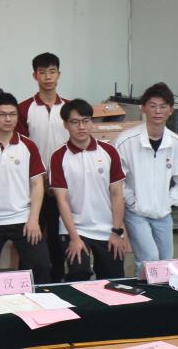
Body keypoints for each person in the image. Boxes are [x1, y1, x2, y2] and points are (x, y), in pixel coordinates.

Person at [115, 82, 178, 276]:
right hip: (136, 212)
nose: (157, 111)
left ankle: (162, 294)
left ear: (171, 110)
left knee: (166, 262)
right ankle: (142, 294)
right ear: (143, 108)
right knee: (149, 259)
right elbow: (116, 177)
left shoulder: (176, 143)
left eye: (163, 106)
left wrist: (169, 200)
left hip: (163, 213)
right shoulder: (126, 140)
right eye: (152, 106)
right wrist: (131, 200)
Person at [0, 92, 51, 284]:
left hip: (23, 218)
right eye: (2, 114)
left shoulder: (28, 146)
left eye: (13, 114)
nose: (8, 119)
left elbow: (37, 184)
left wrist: (34, 219)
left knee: (41, 265)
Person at [50, 99, 127, 281]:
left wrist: (117, 232)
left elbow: (117, 195)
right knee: (79, 273)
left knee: (114, 279)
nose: (81, 127)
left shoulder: (109, 152)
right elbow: (62, 200)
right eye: (75, 122)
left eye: (86, 121)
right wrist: (74, 238)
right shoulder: (58, 157)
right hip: (75, 229)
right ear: (66, 125)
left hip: (107, 229)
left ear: (92, 122)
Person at [17, 52, 70, 283]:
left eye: (52, 72)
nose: (47, 77)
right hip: (33, 185)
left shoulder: (69, 108)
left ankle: (57, 281)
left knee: (58, 237)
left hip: (63, 185)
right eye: (42, 72)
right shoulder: (23, 108)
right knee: (31, 236)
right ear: (34, 76)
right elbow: (20, 148)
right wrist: (38, 177)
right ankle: (27, 282)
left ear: (59, 74)